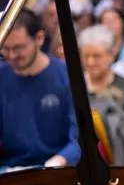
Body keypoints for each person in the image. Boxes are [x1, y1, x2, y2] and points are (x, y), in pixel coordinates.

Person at [0, 9, 80, 170]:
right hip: (9, 168)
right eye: (5, 48)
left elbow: (79, 139)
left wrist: (59, 161)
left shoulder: (67, 76)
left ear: (39, 38)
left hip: (55, 167)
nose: (12, 56)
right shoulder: (2, 75)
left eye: (19, 48)